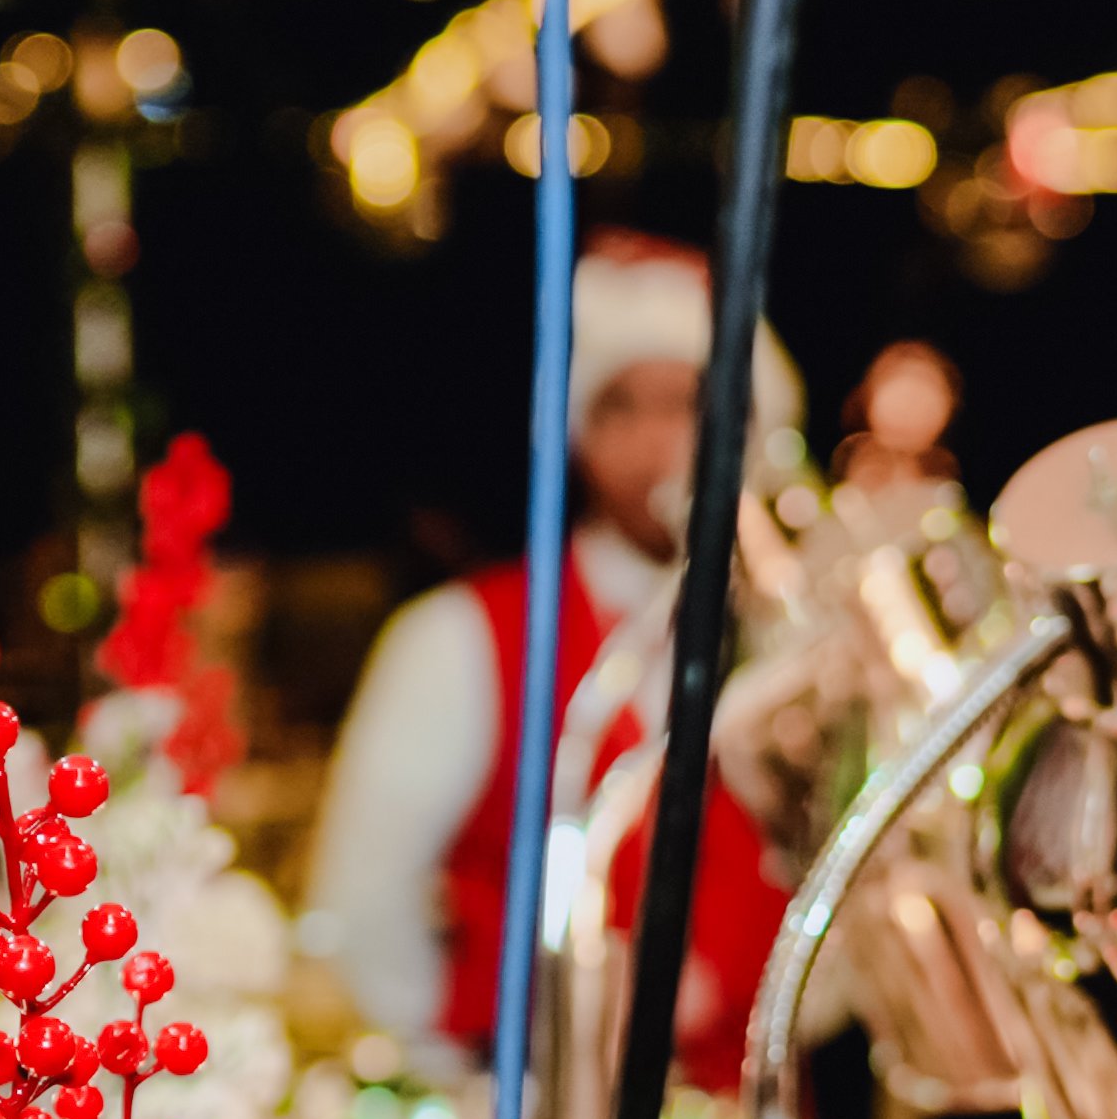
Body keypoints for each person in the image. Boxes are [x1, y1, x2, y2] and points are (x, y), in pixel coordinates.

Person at [300, 236, 801, 1063]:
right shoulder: (461, 635)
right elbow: (360, 907)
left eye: (691, 404)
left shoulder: (796, 646)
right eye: (622, 407)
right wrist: (461, 1072)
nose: (658, 441)